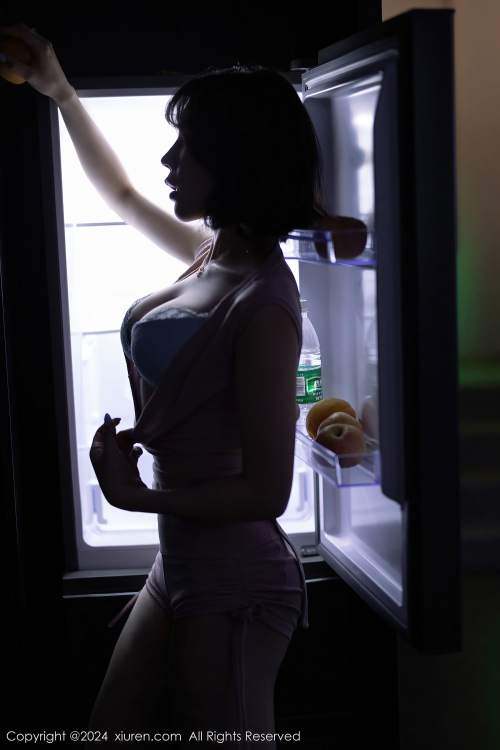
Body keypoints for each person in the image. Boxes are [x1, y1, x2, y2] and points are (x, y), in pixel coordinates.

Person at [1, 22, 348, 748]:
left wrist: (135, 496)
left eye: (186, 146)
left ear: (233, 159)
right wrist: (61, 94)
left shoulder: (265, 305)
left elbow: (267, 492)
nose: (168, 160)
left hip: (238, 584)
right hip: (181, 562)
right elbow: (123, 194)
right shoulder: (210, 255)